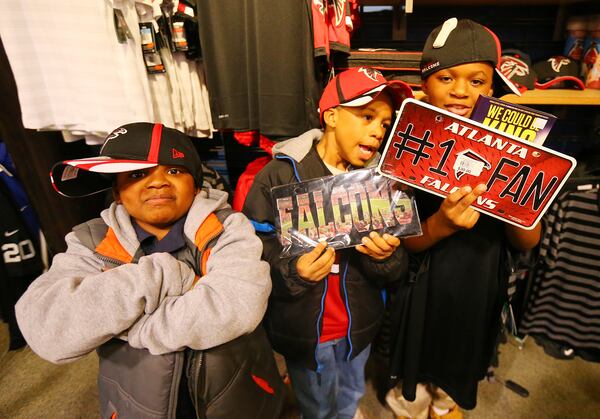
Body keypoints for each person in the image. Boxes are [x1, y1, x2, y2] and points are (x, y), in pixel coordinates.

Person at [15, 122, 284, 418]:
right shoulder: (90, 242)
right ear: (116, 191)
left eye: (173, 170)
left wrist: (129, 328)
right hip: (136, 400)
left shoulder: (227, 227)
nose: (157, 182)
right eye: (137, 173)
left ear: (196, 186)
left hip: (236, 395)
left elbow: (235, 305)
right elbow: (49, 329)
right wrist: (164, 274)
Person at [384, 18, 542, 419]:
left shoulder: (521, 148)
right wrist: (442, 224)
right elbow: (405, 239)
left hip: (481, 278)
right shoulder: (407, 145)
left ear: (492, 88)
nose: (460, 91)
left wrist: (515, 202)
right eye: (446, 78)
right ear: (424, 85)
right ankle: (414, 403)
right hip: (425, 279)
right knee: (418, 355)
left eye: (476, 81)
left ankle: (446, 401)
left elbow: (528, 241)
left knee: (464, 351)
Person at [243, 67, 413, 419]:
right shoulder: (278, 174)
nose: (378, 131)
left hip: (359, 325)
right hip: (305, 329)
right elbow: (252, 248)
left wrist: (386, 258)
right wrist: (294, 270)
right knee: (316, 400)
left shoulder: (387, 181)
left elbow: (398, 265)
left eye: (384, 122)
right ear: (331, 116)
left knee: (351, 390)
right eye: (367, 116)